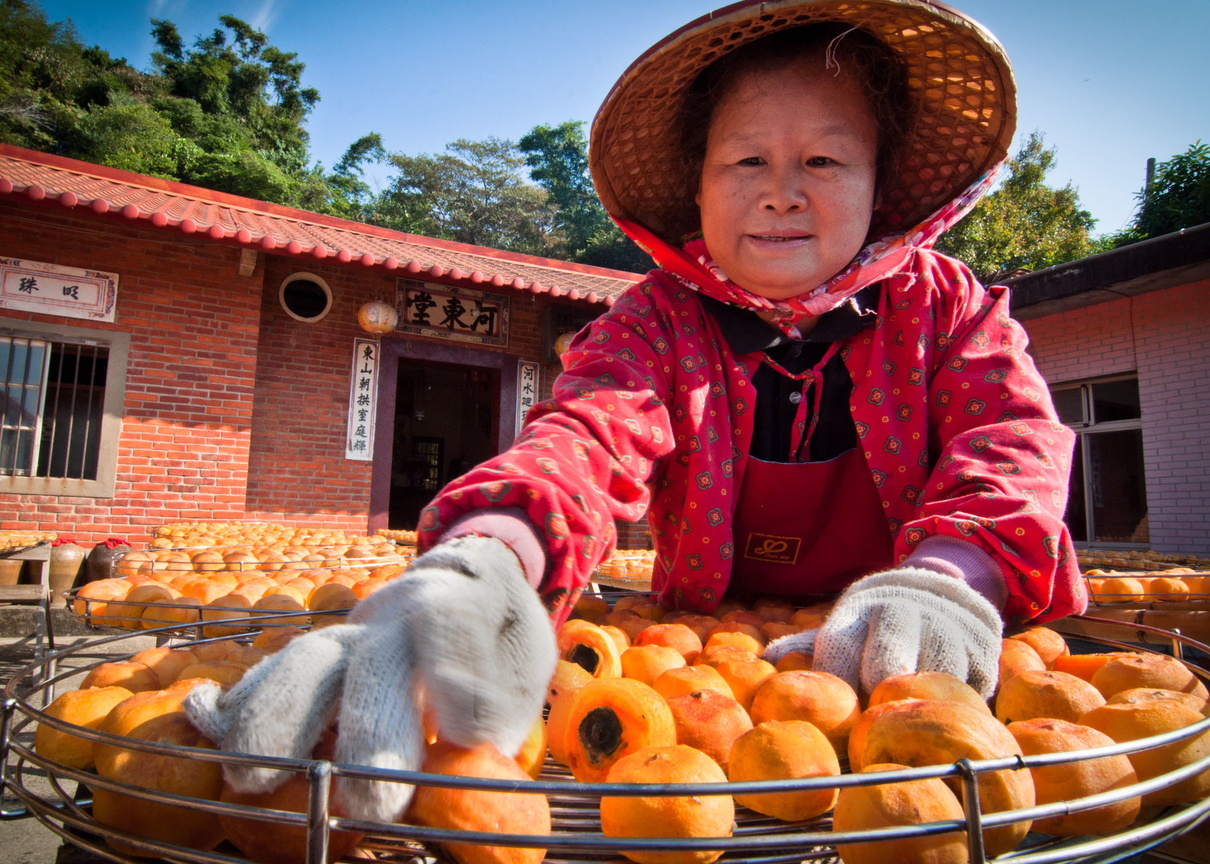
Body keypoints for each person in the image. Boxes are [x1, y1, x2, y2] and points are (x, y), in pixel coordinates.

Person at [187, 0, 1086, 823]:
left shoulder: (948, 309)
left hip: (919, 661)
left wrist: (950, 576)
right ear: (695, 187)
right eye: (745, 159)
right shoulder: (653, 322)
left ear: (880, 186)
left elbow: (1009, 438)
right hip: (713, 662)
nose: (782, 190)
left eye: (824, 159)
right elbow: (583, 442)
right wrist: (485, 563)